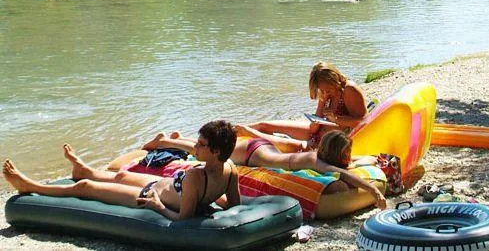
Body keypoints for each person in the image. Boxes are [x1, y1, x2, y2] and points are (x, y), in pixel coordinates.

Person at [3, 121, 240, 221]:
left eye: (201, 145)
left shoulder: (196, 177)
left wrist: (157, 206)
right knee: (121, 175)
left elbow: (182, 219)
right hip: (166, 185)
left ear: (217, 151)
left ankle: (31, 187)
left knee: (85, 189)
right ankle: (84, 169)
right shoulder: (229, 168)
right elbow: (234, 204)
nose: (195, 147)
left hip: (150, 196)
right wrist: (211, 199)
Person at [143, 129, 386, 210]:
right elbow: (344, 174)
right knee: (203, 150)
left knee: (206, 149)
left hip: (260, 150)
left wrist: (370, 161)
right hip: (252, 153)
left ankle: (178, 137)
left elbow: (348, 166)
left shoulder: (317, 158)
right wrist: (375, 192)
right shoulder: (317, 162)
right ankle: (167, 140)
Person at [245, 62, 368, 149]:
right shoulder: (326, 91)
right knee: (264, 126)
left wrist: (336, 119)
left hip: (330, 143)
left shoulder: (349, 89)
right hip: (316, 134)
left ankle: (242, 134)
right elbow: (314, 128)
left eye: (327, 89)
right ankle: (233, 130)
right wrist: (322, 103)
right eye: (321, 90)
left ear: (334, 80)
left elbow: (364, 122)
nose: (325, 93)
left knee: (284, 144)